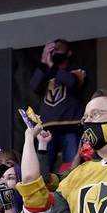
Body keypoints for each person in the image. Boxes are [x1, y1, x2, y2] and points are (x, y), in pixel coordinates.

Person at [30, 39, 87, 173]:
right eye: (52, 49)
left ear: (68, 52)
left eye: (58, 48)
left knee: (73, 167)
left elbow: (72, 82)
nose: (54, 52)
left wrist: (52, 67)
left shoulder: (76, 70)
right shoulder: (46, 72)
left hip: (70, 126)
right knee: (43, 167)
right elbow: (34, 86)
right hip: (48, 128)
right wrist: (44, 62)